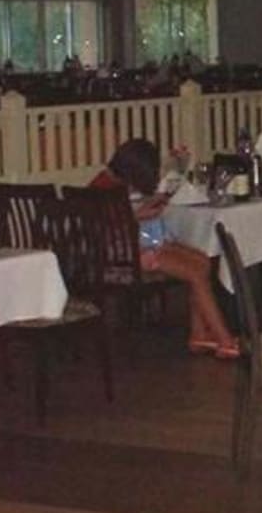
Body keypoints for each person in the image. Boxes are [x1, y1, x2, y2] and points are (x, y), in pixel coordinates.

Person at [91, 139, 238, 359]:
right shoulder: (104, 188)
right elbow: (106, 225)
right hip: (124, 257)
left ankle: (199, 334)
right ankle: (224, 339)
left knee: (203, 261)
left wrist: (147, 207)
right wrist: (139, 215)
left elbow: (123, 216)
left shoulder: (110, 182)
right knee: (194, 272)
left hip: (138, 245)